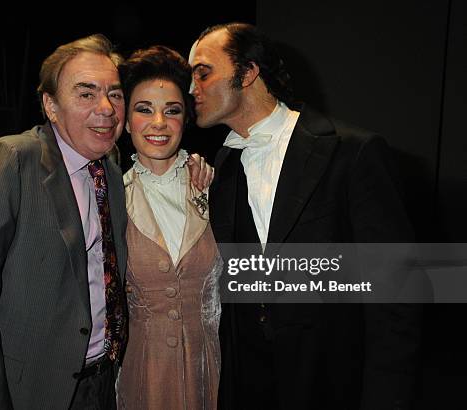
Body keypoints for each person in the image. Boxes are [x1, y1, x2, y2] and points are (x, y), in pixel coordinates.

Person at [189, 23, 422, 410]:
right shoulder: (224, 166)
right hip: (251, 384)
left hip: (333, 383)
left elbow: (396, 294)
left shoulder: (353, 152)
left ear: (248, 72)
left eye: (203, 72)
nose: (193, 87)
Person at [0, 34, 129, 410]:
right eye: (86, 93)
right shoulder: (11, 160)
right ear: (50, 104)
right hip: (30, 392)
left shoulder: (110, 172)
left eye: (115, 93)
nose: (106, 108)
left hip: (102, 382)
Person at [115, 45, 222, 409]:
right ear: (126, 121)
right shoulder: (112, 198)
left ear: (184, 119)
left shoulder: (212, 186)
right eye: (144, 110)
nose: (159, 122)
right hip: (145, 375)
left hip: (212, 371)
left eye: (171, 111)